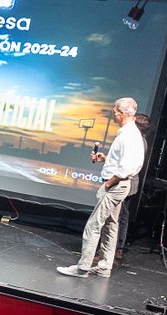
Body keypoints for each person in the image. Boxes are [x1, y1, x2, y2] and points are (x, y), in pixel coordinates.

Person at [59, 97, 145, 278]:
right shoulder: (129, 133)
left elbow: (127, 167)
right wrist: (106, 159)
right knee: (110, 226)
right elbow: (123, 161)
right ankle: (105, 267)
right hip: (119, 184)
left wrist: (109, 182)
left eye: (115, 112)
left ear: (122, 114)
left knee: (94, 225)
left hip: (116, 186)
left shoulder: (129, 135)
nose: (113, 114)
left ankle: (83, 268)